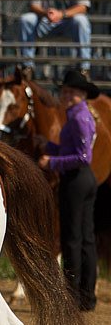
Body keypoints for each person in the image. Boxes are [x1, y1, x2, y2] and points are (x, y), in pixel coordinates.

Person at [38, 69, 98, 311]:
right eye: (64, 91)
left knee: (72, 239)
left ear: (82, 94)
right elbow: (72, 150)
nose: (66, 95)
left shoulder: (79, 118)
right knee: (85, 237)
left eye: (72, 92)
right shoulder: (77, 115)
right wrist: (50, 146)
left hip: (76, 180)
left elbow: (84, 156)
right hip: (83, 179)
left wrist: (51, 162)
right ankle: (85, 296)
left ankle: (73, 296)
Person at [19, 0, 92, 79]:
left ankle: (83, 68)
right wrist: (46, 13)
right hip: (45, 21)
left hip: (68, 22)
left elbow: (83, 7)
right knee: (26, 19)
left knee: (81, 20)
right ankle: (27, 67)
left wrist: (62, 14)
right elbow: (33, 5)